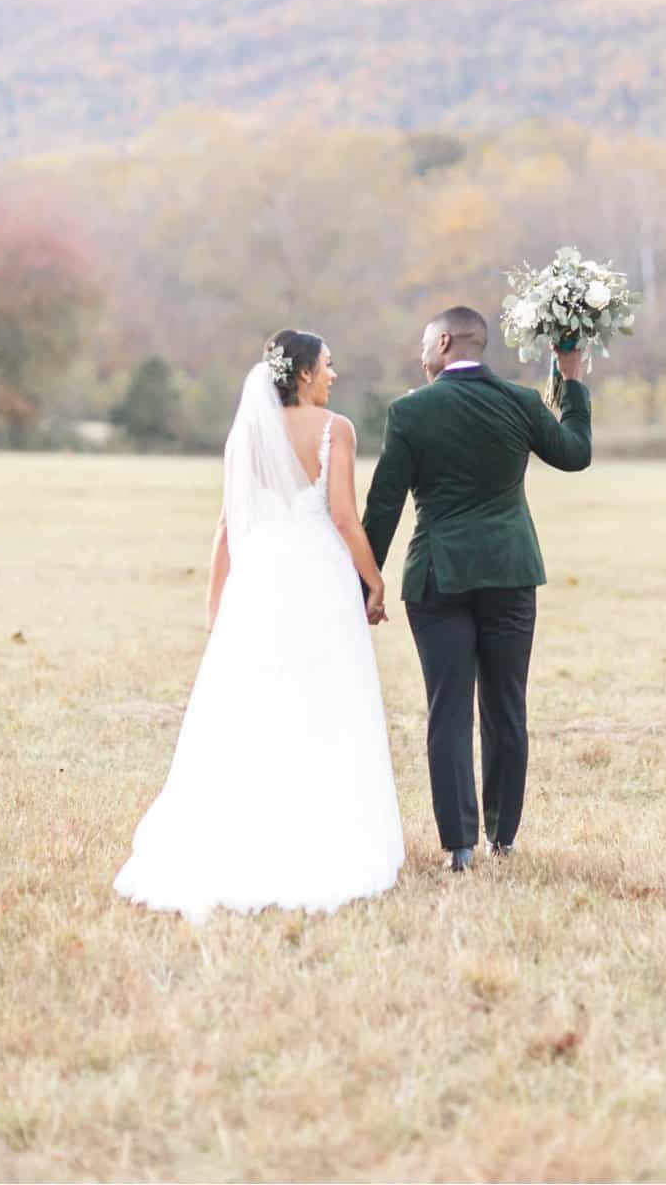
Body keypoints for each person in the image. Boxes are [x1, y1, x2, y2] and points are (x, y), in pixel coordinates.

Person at [113, 330, 405, 923]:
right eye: (327, 365)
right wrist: (373, 580)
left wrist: (215, 608)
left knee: (255, 704)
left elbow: (225, 529)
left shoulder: (244, 434)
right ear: (301, 374)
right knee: (325, 703)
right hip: (320, 583)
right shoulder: (335, 430)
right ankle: (325, 830)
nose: (333, 374)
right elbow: (347, 519)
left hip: (260, 583)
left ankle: (246, 828)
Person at [362, 306, 591, 871]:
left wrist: (365, 580)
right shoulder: (521, 402)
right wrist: (573, 379)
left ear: (443, 342)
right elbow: (574, 454)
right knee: (506, 707)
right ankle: (503, 838)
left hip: (439, 577)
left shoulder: (411, 412)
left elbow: (385, 504)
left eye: (424, 346)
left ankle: (460, 847)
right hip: (511, 574)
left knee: (449, 711)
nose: (420, 358)